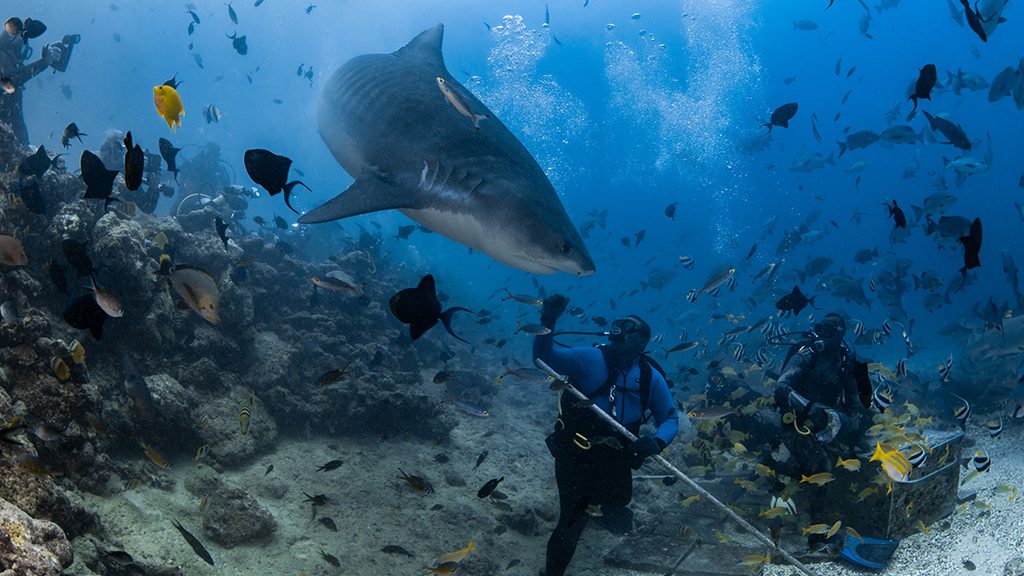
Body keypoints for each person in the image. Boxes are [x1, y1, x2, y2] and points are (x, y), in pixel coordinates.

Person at [534, 294, 678, 576]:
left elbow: (670, 418)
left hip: (617, 456)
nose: (619, 328)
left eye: (628, 325)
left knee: (619, 503)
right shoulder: (590, 357)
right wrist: (548, 321)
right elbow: (543, 358)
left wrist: (658, 441)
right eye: (618, 323)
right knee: (573, 520)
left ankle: (599, 510)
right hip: (576, 452)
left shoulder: (651, 377)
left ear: (642, 341)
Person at [770, 313, 872, 531]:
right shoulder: (808, 355)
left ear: (840, 335)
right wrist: (809, 408)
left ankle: (793, 472)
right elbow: (781, 387)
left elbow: (854, 407)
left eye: (829, 330)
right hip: (796, 420)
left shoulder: (846, 361)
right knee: (822, 464)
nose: (823, 335)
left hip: (826, 420)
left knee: (859, 445)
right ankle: (817, 526)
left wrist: (846, 424)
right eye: (820, 328)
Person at [0, 16, 77, 145]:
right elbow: (9, 78)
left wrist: (27, 151)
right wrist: (43, 63)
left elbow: (17, 122)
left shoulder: (13, 89)